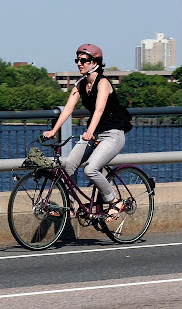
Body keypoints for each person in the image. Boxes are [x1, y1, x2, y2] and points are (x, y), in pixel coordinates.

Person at [43, 43, 131, 222]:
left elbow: (99, 110)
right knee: (69, 166)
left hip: (113, 134)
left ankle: (115, 202)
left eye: (83, 60)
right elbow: (67, 109)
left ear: (95, 62)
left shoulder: (103, 83)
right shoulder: (80, 85)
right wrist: (53, 130)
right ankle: (70, 208)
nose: (79, 63)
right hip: (95, 135)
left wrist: (89, 131)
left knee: (91, 170)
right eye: (77, 60)